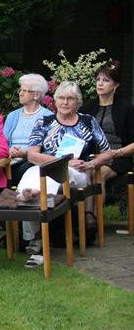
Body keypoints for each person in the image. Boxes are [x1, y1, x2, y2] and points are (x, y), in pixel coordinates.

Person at [16, 81, 110, 260]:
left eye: (70, 99)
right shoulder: (44, 121)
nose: (65, 102)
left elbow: (108, 153)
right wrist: (63, 161)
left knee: (48, 175)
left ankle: (34, 230)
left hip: (78, 173)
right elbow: (32, 155)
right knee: (32, 173)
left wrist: (91, 164)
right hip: (50, 166)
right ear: (55, 100)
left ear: (78, 102)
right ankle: (28, 196)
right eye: (61, 98)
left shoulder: (88, 121)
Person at [79, 60, 133, 193]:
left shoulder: (126, 108)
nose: (100, 83)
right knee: (81, 175)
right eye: (98, 79)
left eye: (106, 80)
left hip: (117, 157)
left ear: (115, 85)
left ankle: (95, 214)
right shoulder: (87, 108)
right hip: (91, 156)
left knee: (98, 175)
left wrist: (116, 153)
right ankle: (79, 213)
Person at [3, 73, 54, 185]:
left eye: (25, 91)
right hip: (10, 160)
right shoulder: (13, 115)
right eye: (20, 90)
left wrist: (26, 153)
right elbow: (2, 141)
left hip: (32, 161)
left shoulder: (48, 116)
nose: (20, 93)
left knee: (28, 167)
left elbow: (49, 147)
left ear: (36, 95)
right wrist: (9, 150)